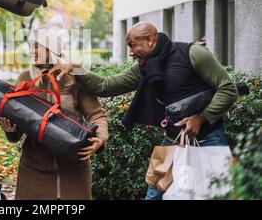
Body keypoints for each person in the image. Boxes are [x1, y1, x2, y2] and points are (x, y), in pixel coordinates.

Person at [49, 22, 238, 200]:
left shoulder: (193, 54)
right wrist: (76, 69)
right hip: (172, 139)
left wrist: (202, 118)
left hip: (210, 137)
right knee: (154, 194)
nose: (130, 53)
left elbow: (228, 89)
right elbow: (107, 86)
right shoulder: (144, 67)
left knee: (215, 194)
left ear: (149, 40)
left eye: (133, 45)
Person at [0, 25, 108, 200]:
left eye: (37, 46)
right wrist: (11, 130)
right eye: (30, 46)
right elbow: (19, 121)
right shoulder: (25, 80)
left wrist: (100, 138)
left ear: (51, 48)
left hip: (74, 170)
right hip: (34, 170)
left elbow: (96, 114)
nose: (31, 51)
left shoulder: (74, 78)